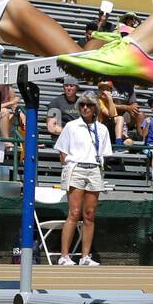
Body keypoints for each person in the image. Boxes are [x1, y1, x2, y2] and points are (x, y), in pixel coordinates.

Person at [53, 92, 111, 266]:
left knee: (90, 214)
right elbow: (62, 153)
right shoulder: (71, 126)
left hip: (94, 169)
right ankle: (64, 256)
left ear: (95, 108)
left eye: (89, 105)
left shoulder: (102, 128)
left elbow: (105, 154)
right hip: (76, 168)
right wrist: (71, 166)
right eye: (82, 105)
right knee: (74, 212)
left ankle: (85, 257)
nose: (85, 107)